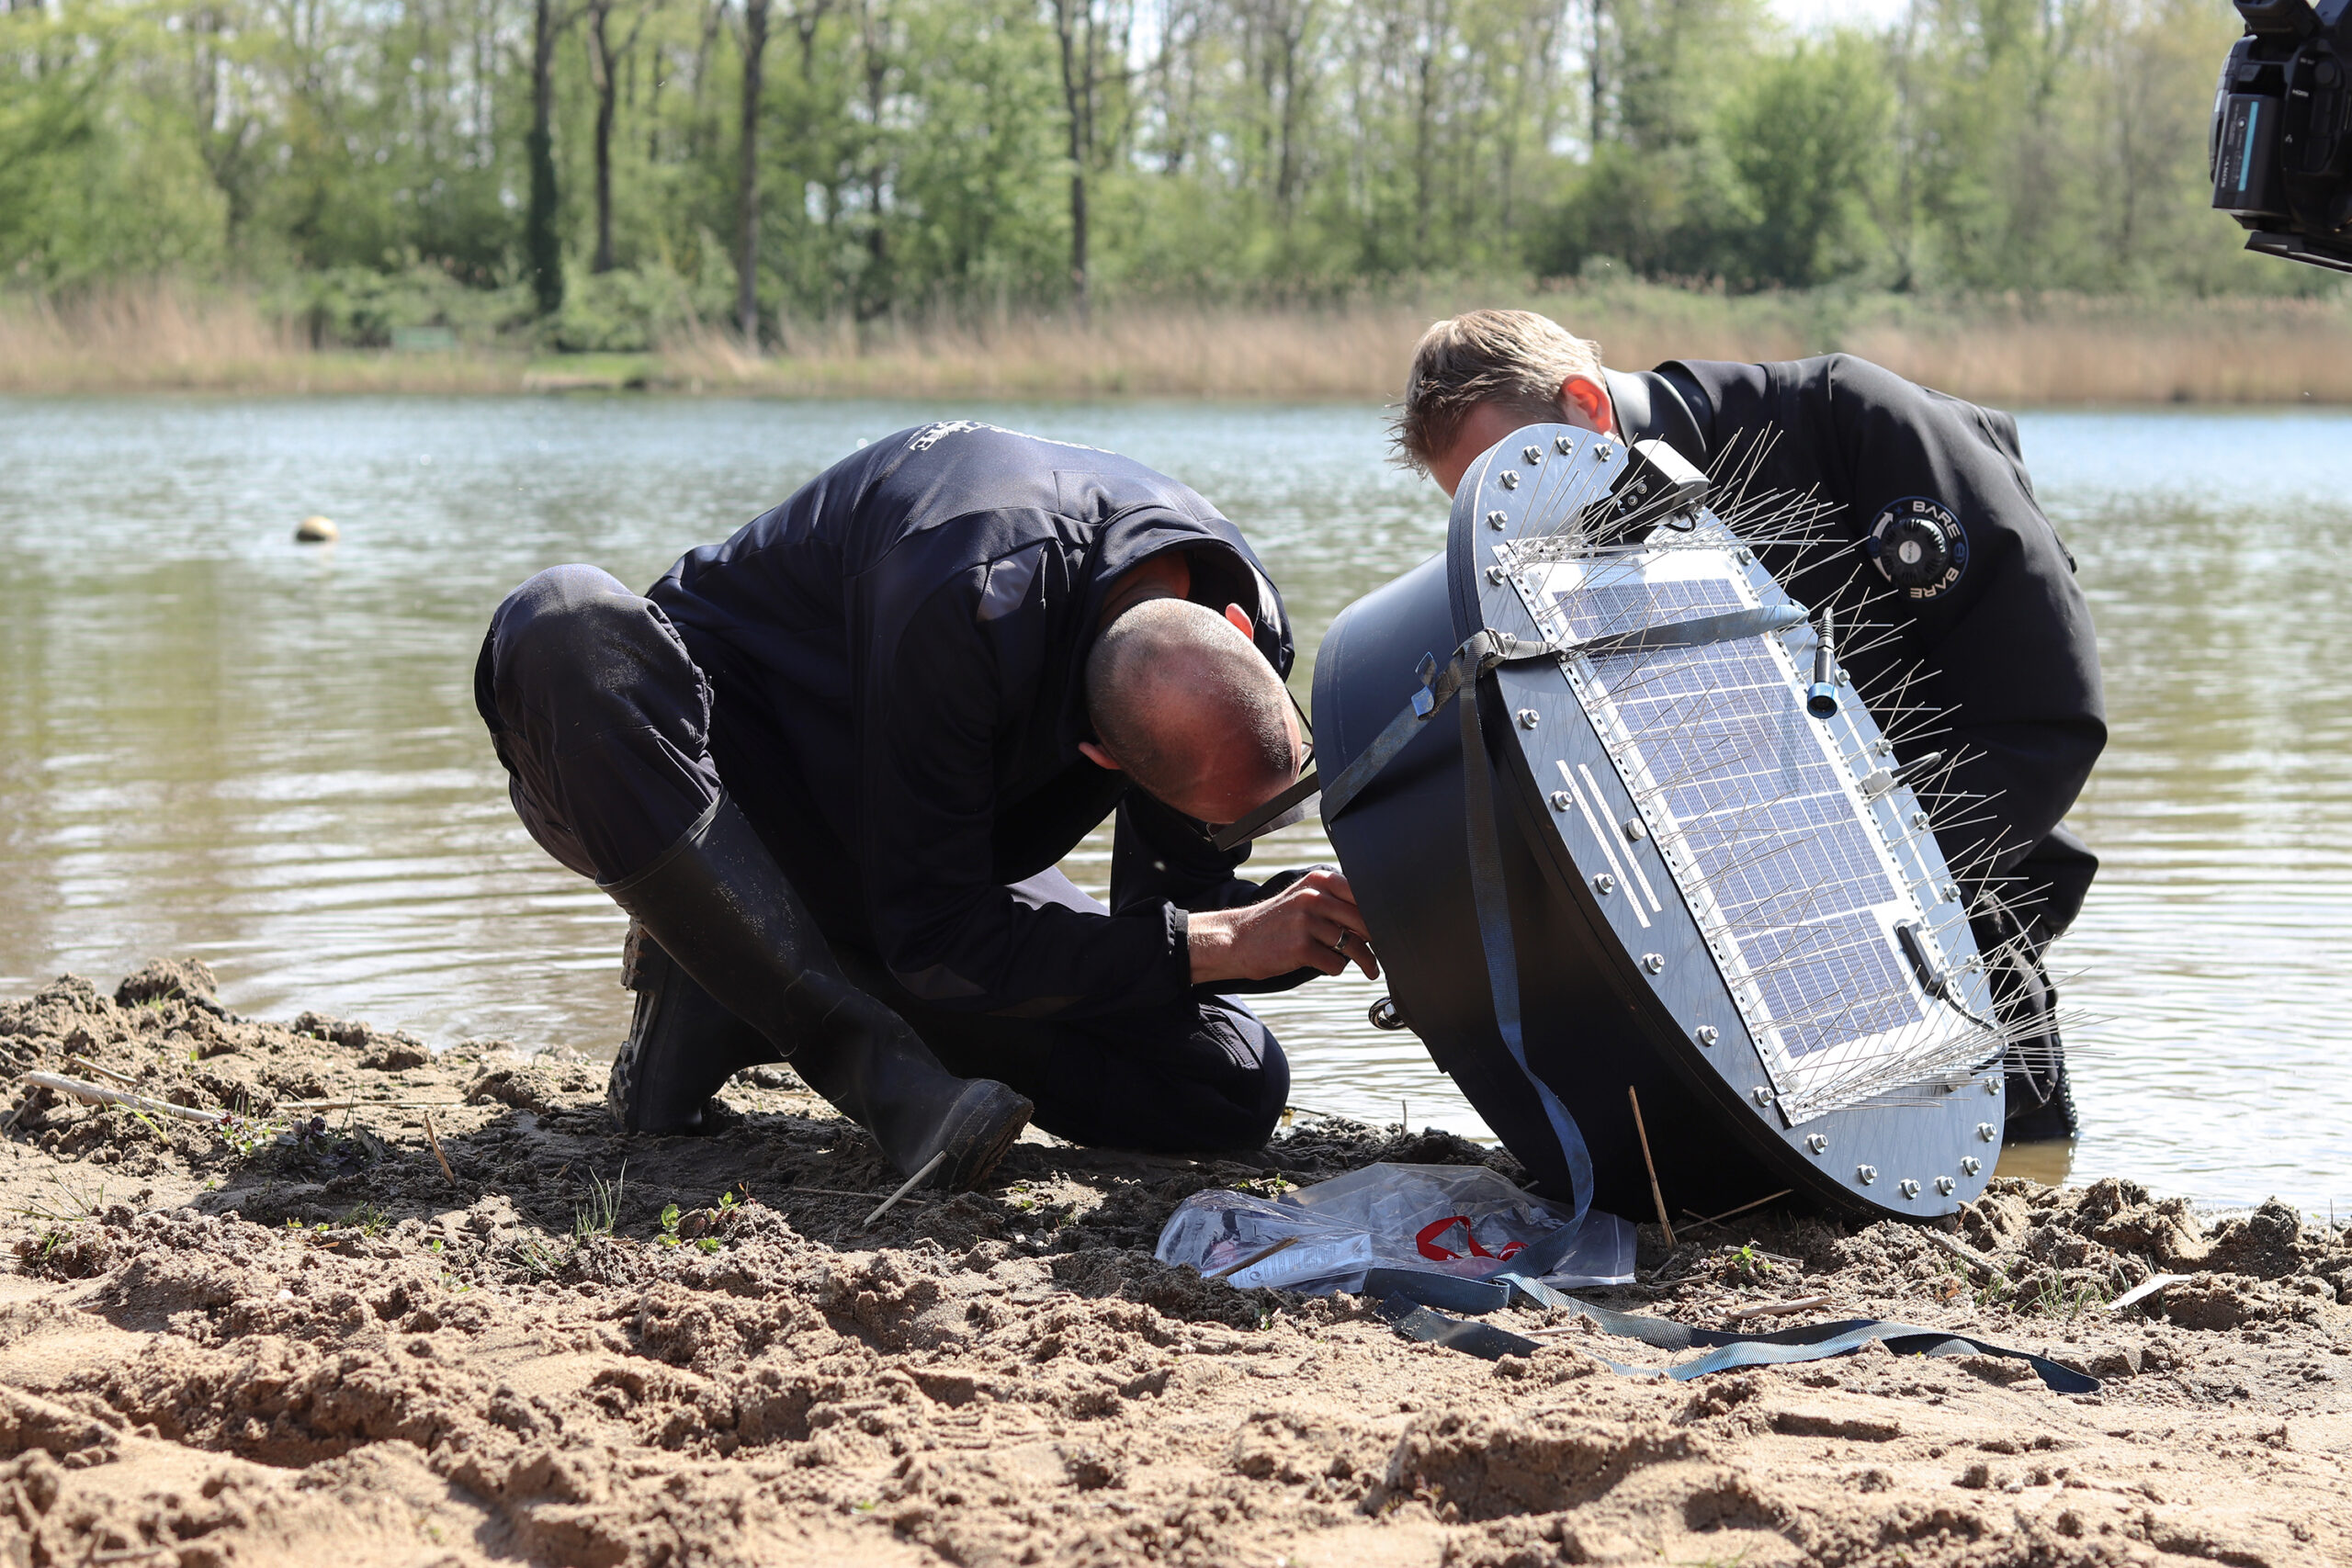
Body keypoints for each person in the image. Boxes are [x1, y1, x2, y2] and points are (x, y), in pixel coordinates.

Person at [474, 421, 1376, 1192]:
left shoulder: (1227, 598)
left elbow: (1168, 917)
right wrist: (1219, 941)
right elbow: (942, 940)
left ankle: (725, 980)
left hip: (924, 864)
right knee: (564, 623)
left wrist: (1312, 920)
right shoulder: (967, 597)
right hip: (720, 805)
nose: (1236, 830)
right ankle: (865, 1060)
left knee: (1224, 1083)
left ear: (1244, 637)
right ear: (1099, 753)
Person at [1391, 310, 2104, 1140]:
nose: (1519, 524)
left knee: (2008, 1164)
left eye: (1519, 471)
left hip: (1951, 928)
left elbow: (2050, 713)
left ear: (1586, 404)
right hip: (1733, 968)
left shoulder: (1850, 423)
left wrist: (1859, 886)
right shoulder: (1568, 550)